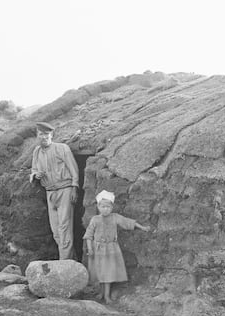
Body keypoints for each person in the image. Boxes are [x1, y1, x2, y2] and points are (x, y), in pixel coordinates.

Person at [83, 190, 150, 303]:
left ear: (112, 207)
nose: (105, 209)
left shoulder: (115, 217)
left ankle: (107, 296)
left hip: (111, 249)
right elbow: (88, 235)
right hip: (98, 249)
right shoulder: (95, 219)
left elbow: (127, 222)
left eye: (108, 207)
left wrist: (142, 227)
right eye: (103, 207)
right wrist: (90, 248)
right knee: (100, 272)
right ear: (98, 206)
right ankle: (101, 292)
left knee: (108, 272)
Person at [29, 122, 80, 260]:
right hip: (50, 192)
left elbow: (74, 169)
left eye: (46, 134)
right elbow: (33, 169)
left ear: (52, 135)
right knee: (56, 231)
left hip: (65, 190)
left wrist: (75, 188)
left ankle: (64, 263)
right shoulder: (36, 151)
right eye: (41, 134)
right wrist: (36, 175)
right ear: (37, 136)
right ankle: (72, 261)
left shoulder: (62, 148)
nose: (44, 137)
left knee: (64, 227)